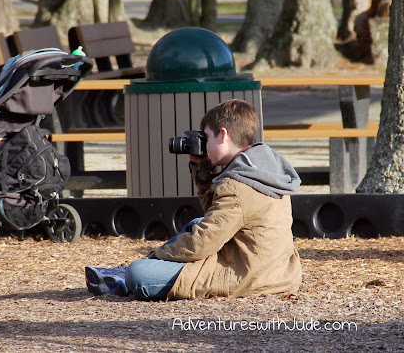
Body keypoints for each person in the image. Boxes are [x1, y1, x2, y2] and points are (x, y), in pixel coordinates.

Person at [85, 99, 302, 300]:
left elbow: (203, 243)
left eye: (206, 137)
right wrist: (202, 168)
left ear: (223, 135)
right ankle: (130, 275)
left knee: (138, 273)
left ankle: (127, 276)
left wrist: (155, 257)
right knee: (196, 224)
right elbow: (215, 215)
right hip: (277, 267)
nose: (203, 144)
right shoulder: (260, 166)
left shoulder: (237, 186)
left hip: (252, 275)